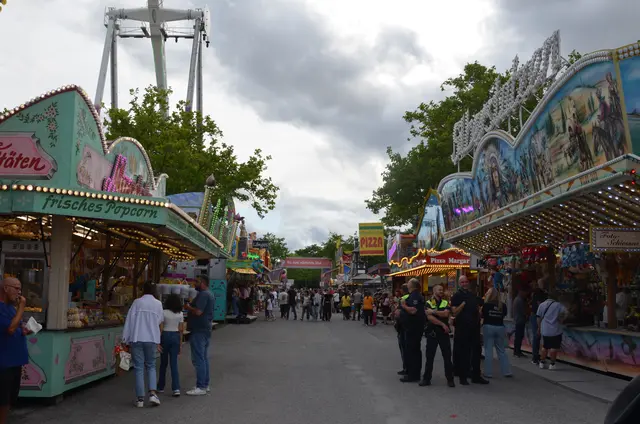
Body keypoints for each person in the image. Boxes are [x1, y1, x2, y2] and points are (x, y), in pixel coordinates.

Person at [122, 281, 164, 407]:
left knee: (139, 368)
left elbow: (129, 321)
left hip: (137, 338)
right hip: (151, 339)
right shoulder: (158, 304)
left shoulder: (137, 302)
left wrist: (125, 339)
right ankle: (153, 394)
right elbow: (159, 321)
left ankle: (140, 399)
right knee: (151, 366)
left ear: (143, 289)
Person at [0, 277, 30, 424]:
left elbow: (15, 326)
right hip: (4, 363)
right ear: (5, 288)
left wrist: (23, 330)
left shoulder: (11, 308)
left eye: (20, 289)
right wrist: (22, 307)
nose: (19, 292)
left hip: (15, 361)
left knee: (10, 398)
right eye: (16, 288)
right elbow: (10, 329)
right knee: (3, 400)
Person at [451, 276, 489, 385]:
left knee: (476, 352)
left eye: (466, 282)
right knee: (464, 353)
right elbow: (454, 312)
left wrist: (480, 317)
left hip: (474, 328)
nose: (464, 284)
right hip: (462, 328)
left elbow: (478, 308)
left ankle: (476, 376)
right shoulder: (457, 296)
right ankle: (463, 377)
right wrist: (462, 305)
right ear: (459, 283)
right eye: (462, 282)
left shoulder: (472, 295)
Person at [421, 284, 455, 387]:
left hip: (444, 334)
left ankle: (450, 379)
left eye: (442, 290)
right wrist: (442, 324)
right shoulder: (428, 302)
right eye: (439, 290)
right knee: (429, 357)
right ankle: (426, 379)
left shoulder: (445, 302)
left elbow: (446, 314)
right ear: (434, 291)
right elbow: (429, 317)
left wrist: (433, 311)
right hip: (433, 333)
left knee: (447, 357)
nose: (441, 291)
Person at [184, 275, 214, 395]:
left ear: (203, 283)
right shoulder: (209, 294)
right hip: (205, 329)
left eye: (196, 281)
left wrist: (188, 307)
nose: (194, 283)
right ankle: (204, 384)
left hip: (199, 330)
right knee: (203, 358)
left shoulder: (203, 295)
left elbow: (198, 311)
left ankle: (201, 386)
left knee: (199, 358)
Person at [399, 278, 426, 383]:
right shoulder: (413, 295)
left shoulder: (415, 296)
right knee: (412, 350)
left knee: (413, 351)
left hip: (413, 328)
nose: (407, 284)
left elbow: (413, 311)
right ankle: (411, 372)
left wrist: (404, 305)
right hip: (410, 327)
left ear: (412, 285)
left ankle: (413, 374)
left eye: (409, 283)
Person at [158, 293, 184, 397]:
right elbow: (181, 329)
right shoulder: (180, 314)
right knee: (174, 364)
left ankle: (160, 386)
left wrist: (158, 341)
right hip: (175, 336)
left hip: (165, 335)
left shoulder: (163, 312)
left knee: (163, 363)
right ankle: (176, 388)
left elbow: (160, 328)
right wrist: (180, 344)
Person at [482, 288, 512, 378]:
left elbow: (482, 315)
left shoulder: (486, 305)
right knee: (501, 350)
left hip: (488, 327)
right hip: (500, 327)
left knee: (488, 350)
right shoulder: (502, 305)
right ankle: (506, 371)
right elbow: (504, 315)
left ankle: (488, 372)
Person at [537, 292, 568, 370]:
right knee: (554, 348)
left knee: (545, 347)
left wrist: (539, 328)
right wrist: (562, 319)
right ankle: (552, 364)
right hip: (555, 330)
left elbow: (538, 318)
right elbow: (566, 312)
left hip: (545, 330)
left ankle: (541, 363)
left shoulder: (542, 305)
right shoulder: (559, 305)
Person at [529, 280, 547, 364]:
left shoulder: (537, 293)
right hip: (536, 316)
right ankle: (535, 357)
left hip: (536, 315)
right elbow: (540, 305)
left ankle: (536, 356)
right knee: (537, 335)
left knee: (537, 336)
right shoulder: (539, 293)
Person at [395, 284, 410, 376]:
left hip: (403, 326)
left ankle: (406, 368)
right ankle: (409, 368)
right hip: (411, 326)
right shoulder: (411, 297)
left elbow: (398, 313)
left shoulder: (403, 298)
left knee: (404, 348)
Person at [512, 289, 528, 358]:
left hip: (517, 320)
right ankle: (517, 351)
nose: (526, 294)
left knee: (518, 336)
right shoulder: (520, 300)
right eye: (525, 292)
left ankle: (516, 351)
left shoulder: (516, 299)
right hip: (520, 320)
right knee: (519, 336)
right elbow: (522, 311)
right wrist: (526, 316)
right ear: (521, 292)